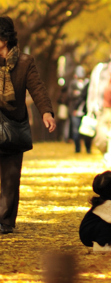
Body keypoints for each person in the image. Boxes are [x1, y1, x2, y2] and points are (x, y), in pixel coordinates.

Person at [0, 16, 56, 233]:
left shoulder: (24, 62)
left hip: (13, 125)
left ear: (6, 38)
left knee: (11, 177)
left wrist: (46, 113)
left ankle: (5, 221)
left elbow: (38, 88)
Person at [79, 170, 111, 252]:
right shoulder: (108, 204)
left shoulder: (109, 202)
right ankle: (100, 246)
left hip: (91, 231)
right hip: (89, 233)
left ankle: (105, 244)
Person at [68, 65, 92, 154]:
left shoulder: (87, 83)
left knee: (87, 131)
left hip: (85, 111)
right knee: (76, 131)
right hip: (75, 111)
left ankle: (88, 148)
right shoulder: (73, 83)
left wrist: (78, 93)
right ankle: (77, 149)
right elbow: (70, 95)